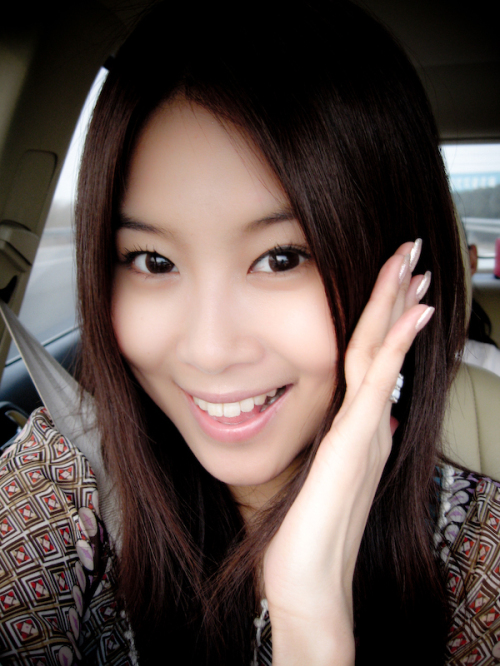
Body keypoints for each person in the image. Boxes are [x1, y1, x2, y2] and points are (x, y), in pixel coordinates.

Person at [1, 1, 498, 664]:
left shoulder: (480, 549)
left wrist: (311, 618)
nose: (209, 350)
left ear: (400, 265)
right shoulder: (60, 475)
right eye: (153, 261)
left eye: (282, 258)